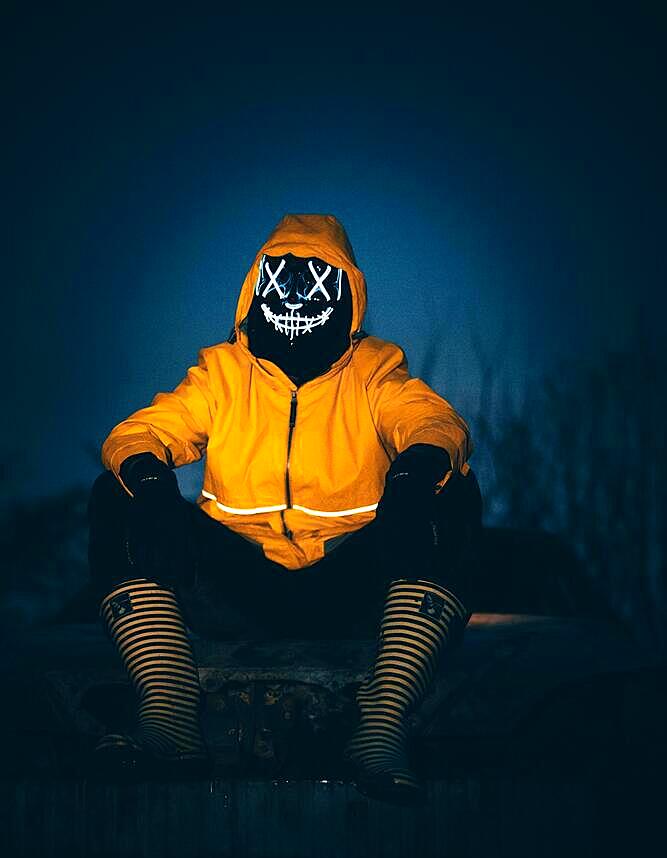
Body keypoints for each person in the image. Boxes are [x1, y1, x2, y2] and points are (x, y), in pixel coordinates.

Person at [88, 213, 483, 804]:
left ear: (346, 292)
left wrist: (416, 468)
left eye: (317, 281)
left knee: (452, 489)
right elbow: (141, 432)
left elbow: (432, 420)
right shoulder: (221, 376)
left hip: (348, 587)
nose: (295, 298)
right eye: (281, 278)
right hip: (238, 586)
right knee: (117, 491)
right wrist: (148, 481)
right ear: (256, 284)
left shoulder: (374, 373)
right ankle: (169, 715)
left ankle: (381, 727)